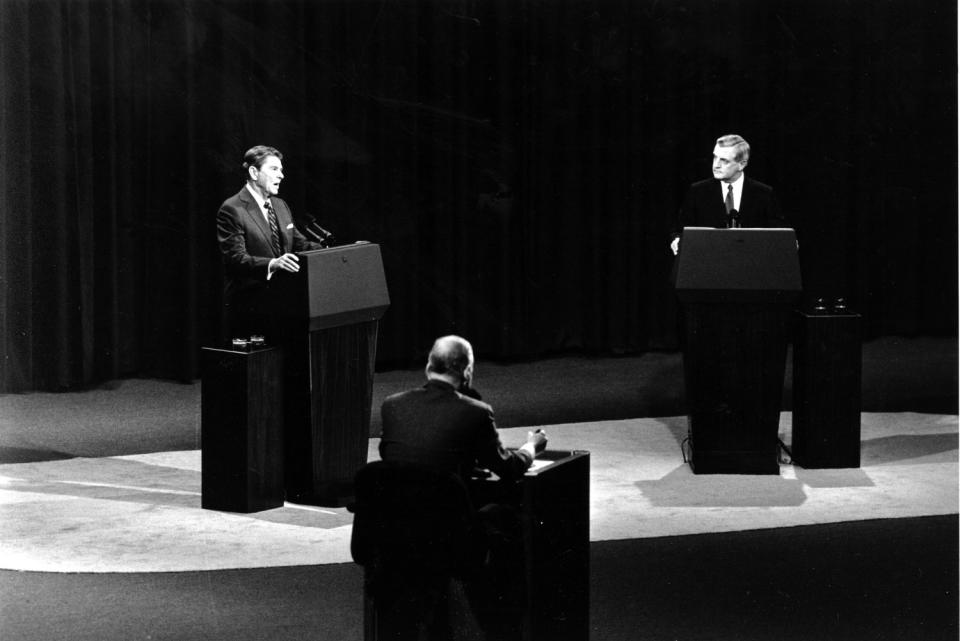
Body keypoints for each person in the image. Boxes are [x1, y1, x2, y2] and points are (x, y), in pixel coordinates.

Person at [379, 335, 547, 480]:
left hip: (397, 511)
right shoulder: (476, 412)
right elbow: (509, 468)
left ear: (428, 367)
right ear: (467, 372)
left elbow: (395, 457)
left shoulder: (392, 404)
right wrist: (531, 446)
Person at [216, 145, 328, 338]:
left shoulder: (280, 205)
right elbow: (236, 259)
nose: (281, 176)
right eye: (274, 169)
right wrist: (273, 264)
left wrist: (338, 251)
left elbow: (300, 245)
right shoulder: (232, 209)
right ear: (253, 172)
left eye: (281, 170)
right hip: (250, 307)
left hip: (284, 303)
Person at [670, 134, 786, 255]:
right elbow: (680, 229)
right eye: (715, 158)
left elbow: (780, 233)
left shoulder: (764, 194)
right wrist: (676, 239)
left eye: (724, 160)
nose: (716, 165)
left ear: (742, 164)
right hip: (709, 264)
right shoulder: (698, 191)